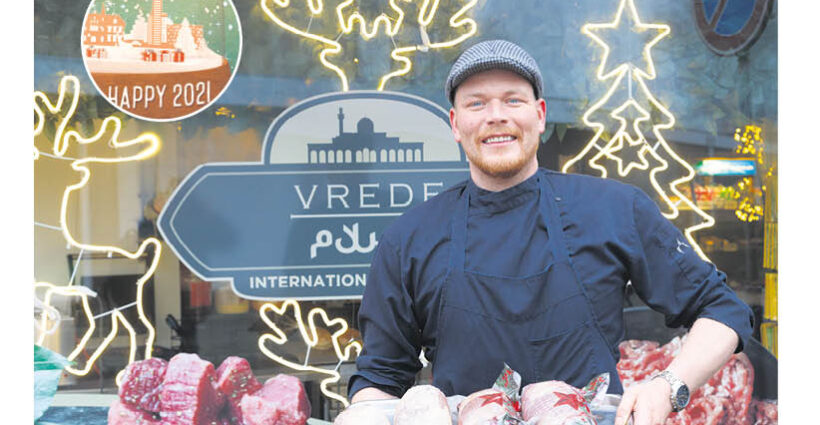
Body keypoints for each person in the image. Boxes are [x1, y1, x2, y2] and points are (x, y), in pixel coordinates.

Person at [347, 39, 754, 425]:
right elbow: (380, 379)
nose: (496, 115)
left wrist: (667, 388)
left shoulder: (613, 209)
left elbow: (723, 310)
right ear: (456, 123)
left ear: (540, 115)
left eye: (513, 100)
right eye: (476, 103)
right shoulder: (409, 239)